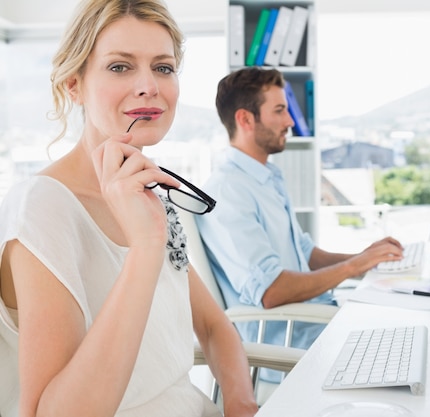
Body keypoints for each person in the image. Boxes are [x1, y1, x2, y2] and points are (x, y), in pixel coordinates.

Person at [0, 1, 258, 416]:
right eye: (120, 66)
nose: (149, 86)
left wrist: (242, 405)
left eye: (163, 67)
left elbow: (213, 327)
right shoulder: (43, 207)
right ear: (73, 84)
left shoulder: (147, 192)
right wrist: (144, 247)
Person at [195, 67, 404, 375]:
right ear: (245, 119)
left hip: (313, 326)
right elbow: (271, 291)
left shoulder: (267, 177)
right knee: (402, 348)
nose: (290, 121)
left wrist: (368, 258)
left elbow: (305, 252)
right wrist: (353, 267)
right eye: (279, 111)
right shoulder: (228, 192)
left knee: (406, 329)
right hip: (288, 344)